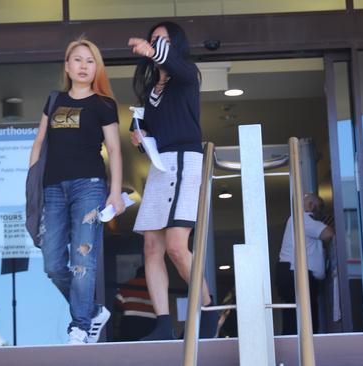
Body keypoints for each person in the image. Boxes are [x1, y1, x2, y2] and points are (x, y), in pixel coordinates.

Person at [29, 36, 125, 344]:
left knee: (83, 260)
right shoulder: (54, 100)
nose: (83, 66)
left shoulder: (103, 104)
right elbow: (39, 142)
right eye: (78, 60)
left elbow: (114, 148)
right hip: (53, 188)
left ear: (97, 68)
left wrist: (115, 192)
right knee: (53, 263)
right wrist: (32, 183)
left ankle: (80, 327)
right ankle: (94, 310)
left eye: (90, 61)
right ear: (68, 67)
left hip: (90, 187)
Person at [128, 21, 215, 340]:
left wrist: (154, 50)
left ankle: (208, 311)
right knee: (151, 247)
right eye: (152, 40)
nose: (154, 45)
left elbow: (173, 64)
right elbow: (152, 126)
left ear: (175, 45)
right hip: (160, 165)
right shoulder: (152, 89)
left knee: (178, 247)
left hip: (185, 161)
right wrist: (141, 134)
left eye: (162, 41)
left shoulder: (187, 75)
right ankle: (163, 324)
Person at [276, 193, 335, 335]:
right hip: (297, 276)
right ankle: (301, 354)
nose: (320, 211)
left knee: (297, 319)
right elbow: (328, 233)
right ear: (311, 205)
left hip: (294, 275)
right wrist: (329, 224)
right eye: (320, 207)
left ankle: (297, 352)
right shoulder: (303, 218)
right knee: (304, 322)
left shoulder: (300, 219)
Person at [114, 266, 156, 341]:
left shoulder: (128, 285)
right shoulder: (155, 287)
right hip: (150, 323)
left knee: (129, 345)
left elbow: (118, 303)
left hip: (130, 322)